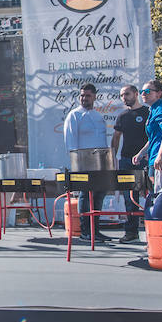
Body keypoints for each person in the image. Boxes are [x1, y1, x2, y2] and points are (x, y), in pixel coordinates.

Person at [63, 83, 111, 242]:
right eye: (82, 95)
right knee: (85, 195)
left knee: (99, 195)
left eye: (88, 95)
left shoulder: (98, 116)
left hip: (100, 162)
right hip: (83, 162)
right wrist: (76, 163)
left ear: (94, 97)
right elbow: (70, 142)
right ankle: (85, 231)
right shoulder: (74, 115)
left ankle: (95, 230)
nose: (84, 98)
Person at [110, 84, 150, 243]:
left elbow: (154, 135)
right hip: (126, 161)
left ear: (135, 94)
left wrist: (149, 155)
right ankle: (131, 232)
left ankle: (153, 230)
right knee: (129, 197)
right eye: (121, 95)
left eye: (126, 94)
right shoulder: (122, 116)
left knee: (151, 196)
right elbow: (116, 138)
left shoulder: (147, 112)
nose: (124, 97)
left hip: (145, 160)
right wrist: (113, 158)